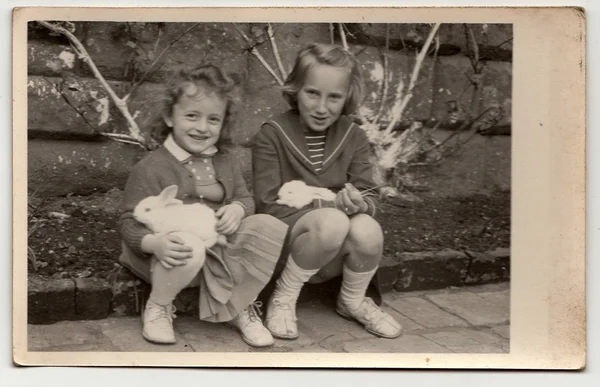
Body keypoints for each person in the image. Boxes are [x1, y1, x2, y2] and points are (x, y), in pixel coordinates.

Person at [118, 64, 287, 348]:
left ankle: (238, 305)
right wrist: (153, 243)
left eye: (213, 119)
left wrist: (237, 209)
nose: (201, 127)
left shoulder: (226, 161)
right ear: (170, 117)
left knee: (267, 226)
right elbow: (128, 221)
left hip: (216, 245)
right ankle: (158, 306)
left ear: (223, 124)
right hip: (167, 255)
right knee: (189, 246)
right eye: (192, 116)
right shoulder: (152, 167)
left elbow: (245, 198)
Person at [252, 43, 402, 340]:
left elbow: (370, 195)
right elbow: (267, 204)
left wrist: (359, 203)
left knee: (368, 228)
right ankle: (283, 297)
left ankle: (352, 300)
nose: (322, 108)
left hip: (332, 253)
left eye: (334, 97)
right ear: (296, 89)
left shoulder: (354, 135)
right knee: (333, 221)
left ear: (348, 97)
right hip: (290, 245)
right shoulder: (273, 133)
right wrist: (330, 203)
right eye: (312, 93)